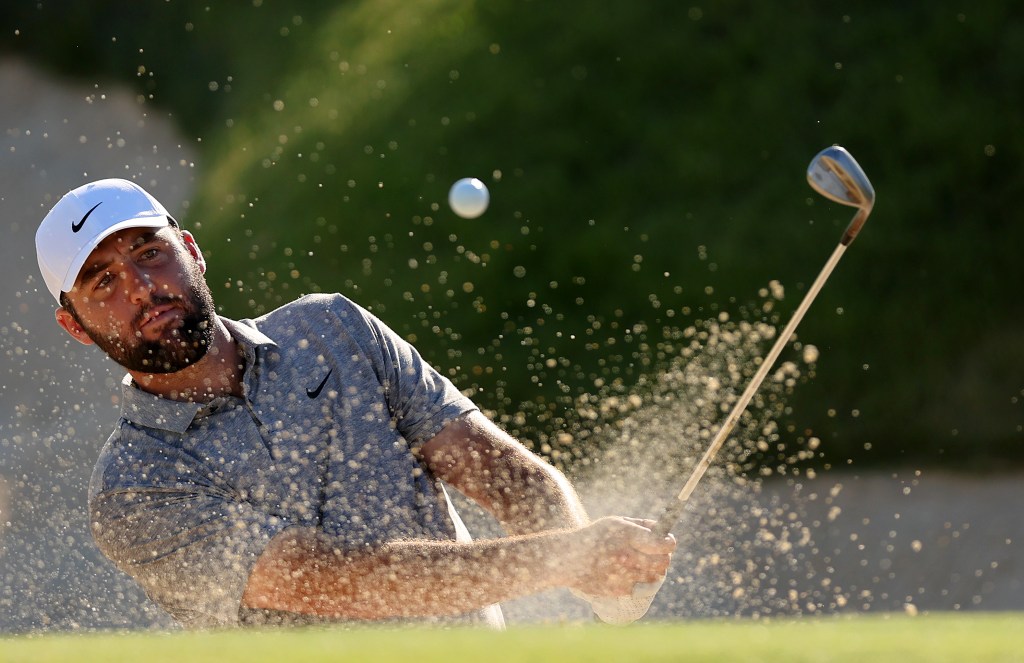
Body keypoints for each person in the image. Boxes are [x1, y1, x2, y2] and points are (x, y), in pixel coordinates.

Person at [34, 178, 675, 629]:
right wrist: (566, 557)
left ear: (191, 252)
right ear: (76, 325)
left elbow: (497, 469)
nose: (145, 288)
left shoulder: (330, 330)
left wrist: (604, 575)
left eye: (151, 253)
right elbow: (338, 579)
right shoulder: (133, 489)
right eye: (106, 282)